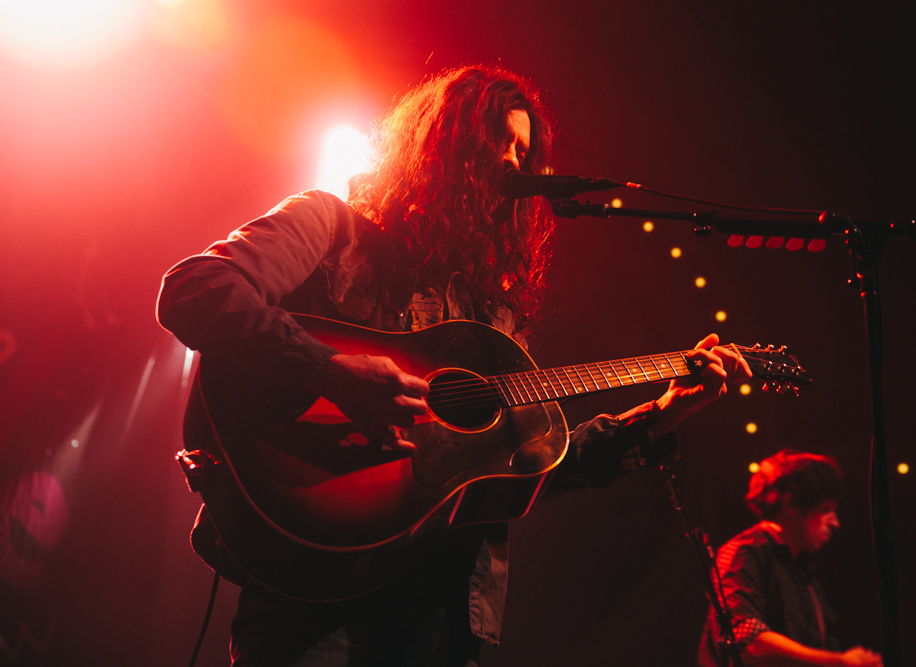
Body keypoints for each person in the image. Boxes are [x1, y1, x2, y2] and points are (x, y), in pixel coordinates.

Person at [158, 65, 750, 666]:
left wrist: (661, 413)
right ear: (443, 141)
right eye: (499, 140)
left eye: (525, 150)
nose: (515, 163)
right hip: (310, 590)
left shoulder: (490, 317)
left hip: (439, 612)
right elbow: (195, 289)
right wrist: (329, 370)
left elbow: (516, 469)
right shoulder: (331, 226)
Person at [698, 449, 883, 667]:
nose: (835, 523)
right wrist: (842, 662)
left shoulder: (801, 568)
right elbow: (748, 642)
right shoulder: (742, 553)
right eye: (825, 510)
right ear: (790, 504)